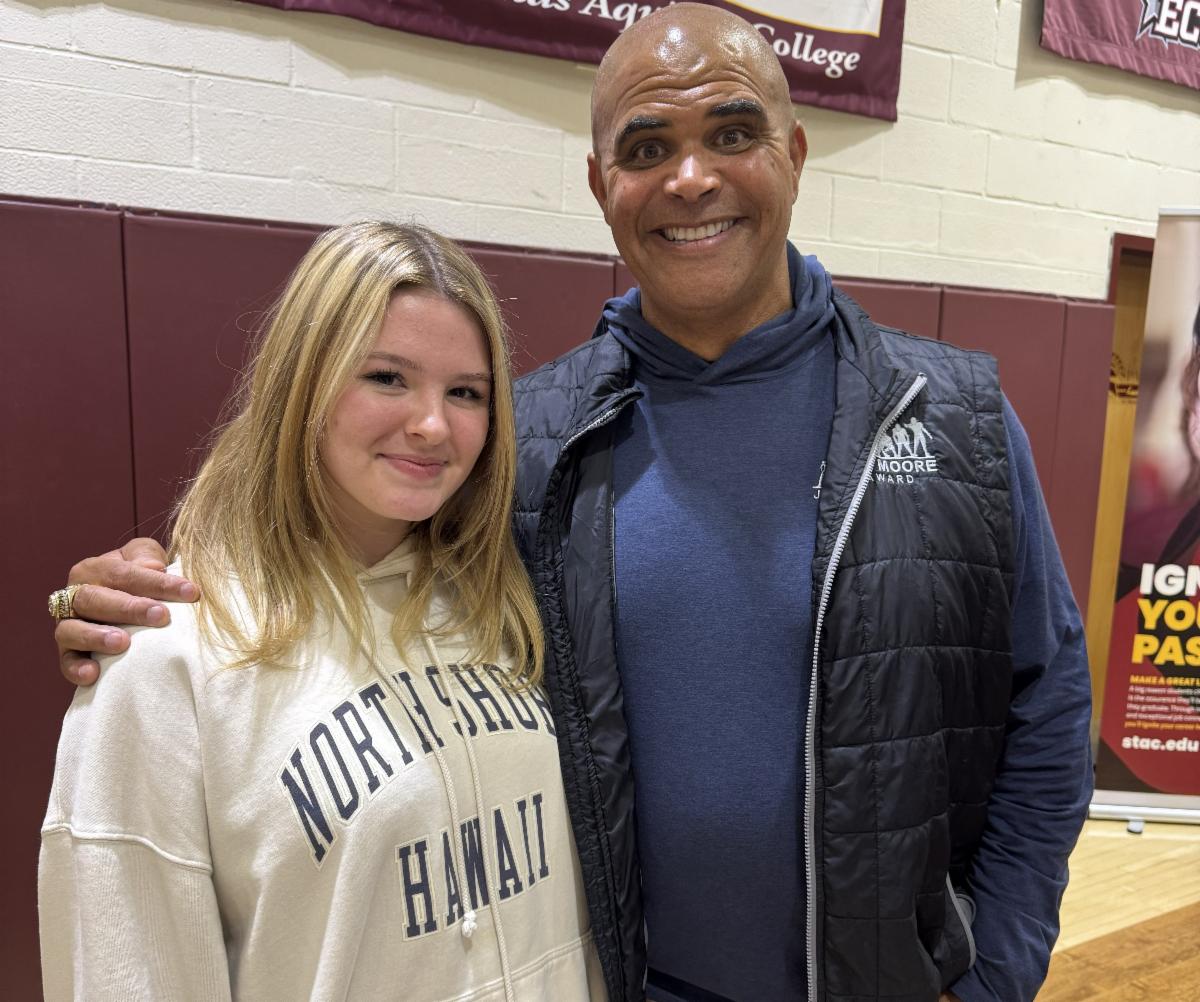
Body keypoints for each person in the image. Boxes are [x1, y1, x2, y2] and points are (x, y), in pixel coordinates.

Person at [47, 6, 1093, 1001]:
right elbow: (347, 579)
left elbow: (1047, 713)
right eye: (647, 149)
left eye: (732, 133)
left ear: (795, 153)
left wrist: (994, 973)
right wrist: (152, 604)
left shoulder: (948, 413)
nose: (691, 177)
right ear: (602, 185)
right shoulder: (530, 441)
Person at [39, 222, 604, 1000]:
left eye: (465, 392)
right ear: (306, 381)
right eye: (387, 377)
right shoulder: (169, 658)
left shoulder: (505, 601)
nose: (433, 425)